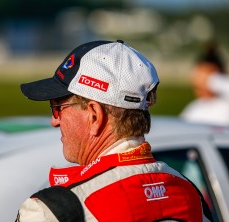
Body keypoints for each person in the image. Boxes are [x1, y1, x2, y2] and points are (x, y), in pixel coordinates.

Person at [17, 40, 213, 221]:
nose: (54, 121)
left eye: (58, 107)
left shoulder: (51, 212)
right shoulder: (191, 193)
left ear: (94, 115)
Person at [180, 42, 229, 126]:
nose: (199, 82)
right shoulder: (194, 108)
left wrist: (213, 80)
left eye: (204, 78)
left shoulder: (225, 105)